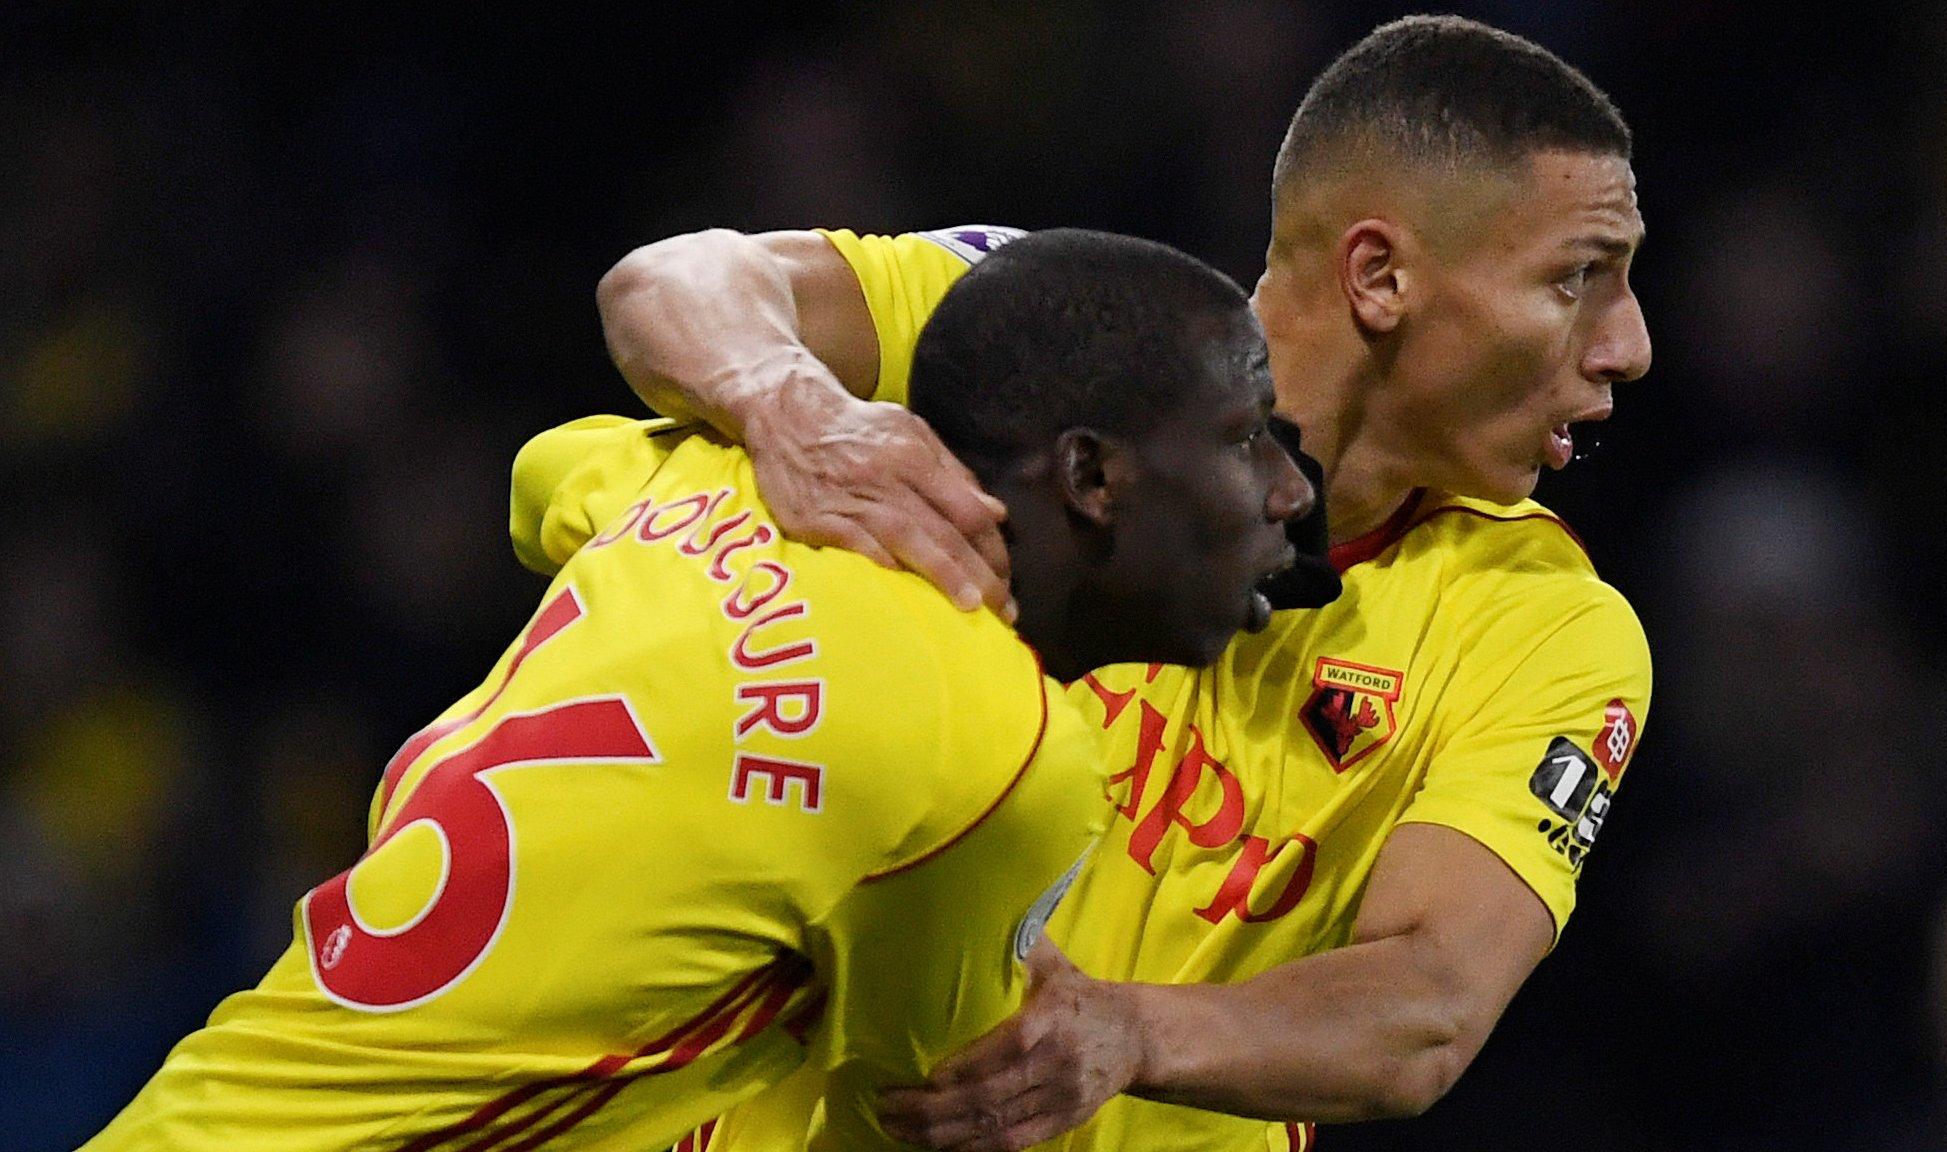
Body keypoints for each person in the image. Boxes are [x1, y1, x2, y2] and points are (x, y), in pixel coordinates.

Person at [582, 14, 1653, 1151]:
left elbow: (1428, 1003)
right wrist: (793, 411)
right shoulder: (1052, 335)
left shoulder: (1545, 622)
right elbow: (677, 281)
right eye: (1576, 279)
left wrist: (1126, 1034)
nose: (1625, 344)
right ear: (1378, 275)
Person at [81, 230, 1311, 1152]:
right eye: (1247, 435)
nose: (1287, 494)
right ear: (1091, 477)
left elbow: (540, 476)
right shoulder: (1000, 754)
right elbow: (939, 1103)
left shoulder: (709, 481)